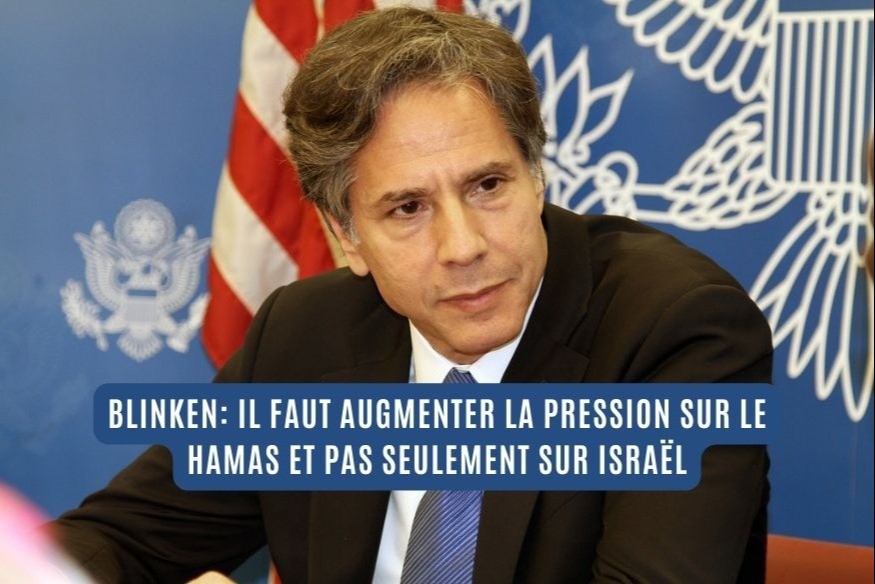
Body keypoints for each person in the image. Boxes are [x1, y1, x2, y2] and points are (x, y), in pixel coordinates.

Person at [53, 7, 772, 583]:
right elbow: (103, 543)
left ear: (535, 175)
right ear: (346, 235)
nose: (463, 246)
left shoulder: (673, 332)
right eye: (407, 208)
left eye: (486, 185)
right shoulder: (305, 336)